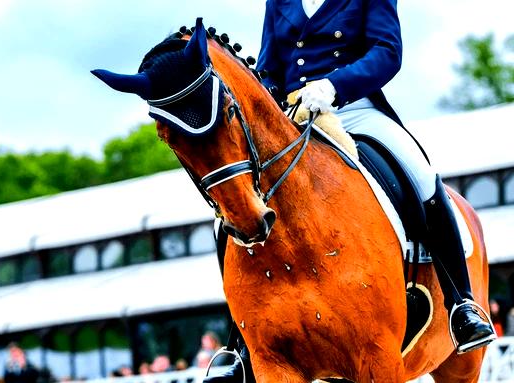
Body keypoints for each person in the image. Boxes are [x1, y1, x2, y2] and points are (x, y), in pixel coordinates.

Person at [204, 0, 495, 381]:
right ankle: (240, 344)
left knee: (422, 175)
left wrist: (334, 86)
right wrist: (267, 102)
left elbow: (388, 51)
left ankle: (461, 304)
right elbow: (270, 65)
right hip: (290, 119)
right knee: (227, 214)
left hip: (354, 108)